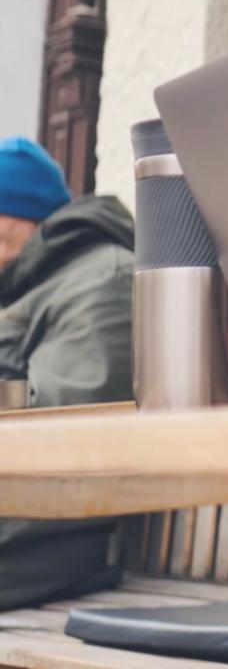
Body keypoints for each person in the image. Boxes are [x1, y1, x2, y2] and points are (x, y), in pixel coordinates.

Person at [0, 137, 134, 608]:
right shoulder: (23, 289)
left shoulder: (102, 280)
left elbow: (67, 443)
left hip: (43, 543)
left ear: (17, 217)